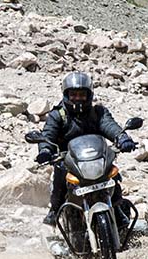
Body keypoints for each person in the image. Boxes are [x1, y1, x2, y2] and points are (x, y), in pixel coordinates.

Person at [37, 71, 137, 226]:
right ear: (66, 95)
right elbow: (48, 134)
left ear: (89, 95)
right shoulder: (58, 115)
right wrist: (45, 150)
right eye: (74, 94)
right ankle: (55, 213)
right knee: (60, 183)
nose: (78, 98)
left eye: (82, 95)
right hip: (69, 162)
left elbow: (109, 126)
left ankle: (118, 210)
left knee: (113, 177)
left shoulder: (98, 112)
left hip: (97, 158)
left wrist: (122, 138)